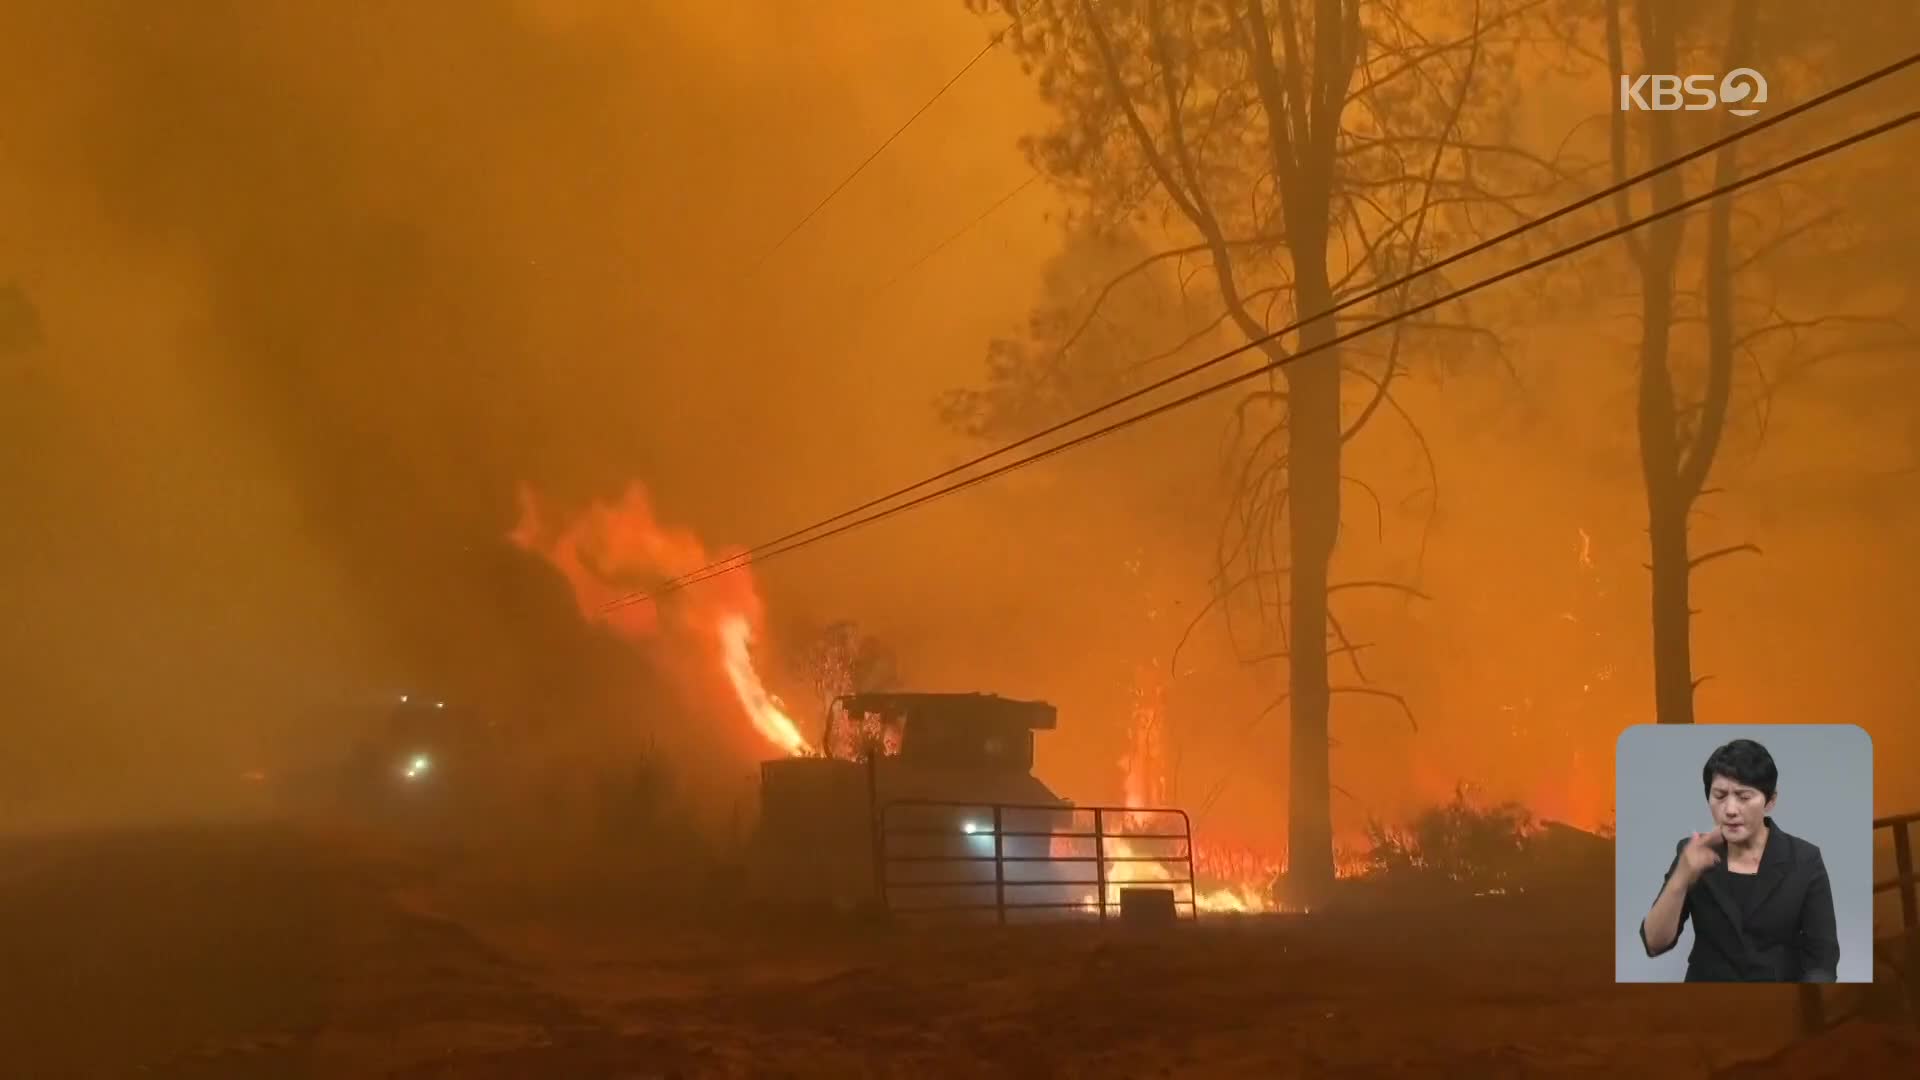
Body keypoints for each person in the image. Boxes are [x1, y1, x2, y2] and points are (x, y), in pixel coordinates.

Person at [1638, 738, 1839, 982]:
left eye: (1744, 797)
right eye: (1720, 796)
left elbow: (1823, 958)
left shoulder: (1805, 859)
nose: (1730, 809)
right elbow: (1654, 943)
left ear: (1770, 801)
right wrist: (1681, 878)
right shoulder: (1691, 852)